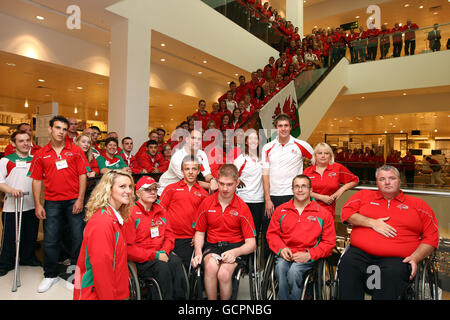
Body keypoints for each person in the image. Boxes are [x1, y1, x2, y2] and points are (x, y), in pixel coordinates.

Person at [338, 165, 439, 300]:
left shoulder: (418, 205)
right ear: (377, 182)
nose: (387, 182)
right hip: (360, 253)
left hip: (396, 259)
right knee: (347, 264)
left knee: (392, 273)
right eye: (382, 179)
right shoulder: (363, 195)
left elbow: (431, 237)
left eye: (392, 178)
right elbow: (346, 213)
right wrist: (372, 223)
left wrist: (416, 257)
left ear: (400, 181)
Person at [28, 115, 87, 293]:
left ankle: (73, 275)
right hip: (52, 202)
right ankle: (50, 275)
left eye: (63, 128)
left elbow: (82, 175)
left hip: (73, 201)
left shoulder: (76, 151)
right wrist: (38, 204)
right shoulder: (40, 153)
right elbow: (36, 181)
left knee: (78, 238)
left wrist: (80, 199)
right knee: (51, 239)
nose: (61, 132)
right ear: (50, 129)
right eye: (57, 128)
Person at [191, 164, 257, 300]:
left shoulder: (243, 208)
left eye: (229, 184)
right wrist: (198, 252)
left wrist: (235, 252)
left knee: (224, 274)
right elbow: (199, 233)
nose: (225, 188)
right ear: (217, 181)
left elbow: (252, 244)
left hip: (235, 247)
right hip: (213, 246)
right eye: (221, 184)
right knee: (210, 267)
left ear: (237, 183)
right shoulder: (206, 203)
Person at [266, 175, 336, 300]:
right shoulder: (281, 210)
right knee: (281, 268)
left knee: (294, 272)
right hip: (286, 253)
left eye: (304, 186)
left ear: (310, 190)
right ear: (292, 190)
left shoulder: (323, 213)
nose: (300, 190)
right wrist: (281, 249)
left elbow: (329, 243)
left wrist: (309, 254)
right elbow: (272, 234)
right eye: (297, 187)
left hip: (308, 256)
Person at [73, 169, 134, 300]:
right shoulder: (102, 222)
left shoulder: (115, 218)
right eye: (122, 186)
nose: (128, 191)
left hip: (116, 291)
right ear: (108, 189)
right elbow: (102, 273)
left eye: (130, 186)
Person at [261, 114, 314, 260]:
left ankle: (291, 263)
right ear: (275, 128)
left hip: (294, 197)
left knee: (291, 234)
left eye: (286, 126)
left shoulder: (301, 145)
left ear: (290, 128)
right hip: (272, 198)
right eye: (280, 126)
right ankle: (268, 267)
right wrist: (267, 199)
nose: (283, 129)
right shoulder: (267, 147)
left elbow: (317, 162)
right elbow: (265, 174)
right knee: (269, 234)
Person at [125, 176, 186, 300]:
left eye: (155, 189)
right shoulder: (131, 213)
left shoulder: (161, 211)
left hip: (162, 253)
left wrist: (164, 251)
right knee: (162, 268)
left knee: (176, 263)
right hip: (142, 259)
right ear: (138, 193)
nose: (153, 192)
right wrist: (156, 255)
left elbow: (169, 236)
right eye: (148, 189)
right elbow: (129, 249)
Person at [0, 131, 40, 277]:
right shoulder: (6, 161)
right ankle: (5, 263)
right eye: (21, 141)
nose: (25, 143)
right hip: (12, 207)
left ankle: (27, 258)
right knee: (10, 237)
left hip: (30, 205)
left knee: (30, 235)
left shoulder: (35, 160)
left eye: (27, 140)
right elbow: (0, 182)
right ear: (13, 144)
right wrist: (11, 190)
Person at [159, 155, 209, 272]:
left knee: (186, 272)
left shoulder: (203, 194)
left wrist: (197, 235)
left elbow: (203, 219)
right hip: (169, 238)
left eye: (194, 169)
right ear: (182, 171)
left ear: (198, 171)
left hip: (189, 240)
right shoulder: (171, 189)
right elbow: (159, 212)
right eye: (187, 169)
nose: (190, 172)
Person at [303, 142, 359, 218]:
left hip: (328, 211)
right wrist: (321, 197)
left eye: (326, 153)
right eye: (320, 153)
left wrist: (341, 189)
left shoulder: (337, 168)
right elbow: (302, 191)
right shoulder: (307, 171)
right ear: (315, 156)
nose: (323, 156)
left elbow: (355, 180)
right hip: (308, 211)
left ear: (330, 156)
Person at [158, 129, 218, 195]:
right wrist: (211, 185)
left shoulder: (202, 154)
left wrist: (213, 180)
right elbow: (190, 180)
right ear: (187, 139)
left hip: (187, 188)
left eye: (199, 139)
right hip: (166, 189)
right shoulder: (178, 156)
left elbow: (207, 174)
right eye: (193, 138)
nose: (196, 141)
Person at [233, 131, 264, 242]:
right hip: (244, 200)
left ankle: (252, 257)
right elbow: (232, 175)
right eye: (250, 139)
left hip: (259, 200)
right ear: (246, 141)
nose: (253, 141)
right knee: (242, 232)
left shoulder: (263, 158)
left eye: (255, 138)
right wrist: (237, 180)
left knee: (254, 232)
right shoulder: (241, 159)